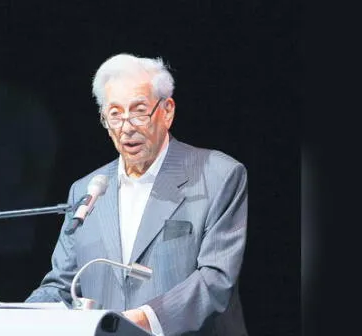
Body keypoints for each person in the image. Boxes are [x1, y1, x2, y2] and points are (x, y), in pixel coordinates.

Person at [25, 53, 248, 336]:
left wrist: (142, 320)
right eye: (115, 114)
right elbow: (62, 287)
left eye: (139, 110)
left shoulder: (217, 175)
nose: (126, 126)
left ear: (167, 111)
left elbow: (216, 279)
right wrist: (11, 318)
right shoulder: (87, 190)